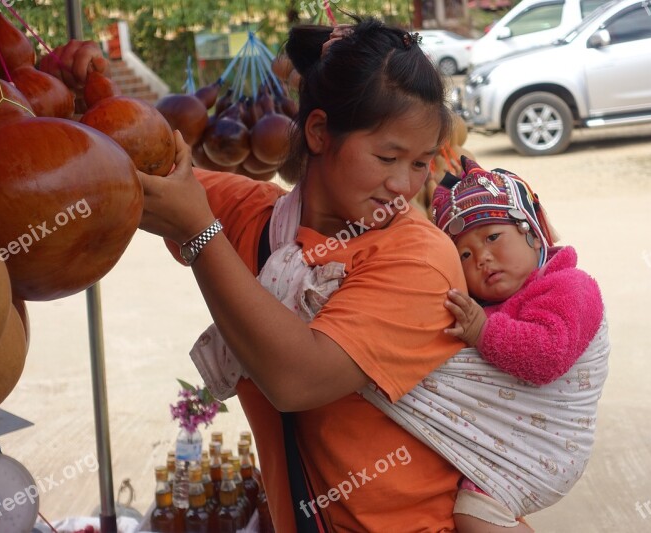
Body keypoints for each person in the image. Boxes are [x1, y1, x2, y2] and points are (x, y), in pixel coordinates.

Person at [138, 18, 471, 532]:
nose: (403, 184)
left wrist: (200, 234)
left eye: (421, 164)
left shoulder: (419, 258)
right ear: (318, 132)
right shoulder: (251, 214)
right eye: (388, 156)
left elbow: (295, 380)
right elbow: (124, 172)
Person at [359, 157, 609, 531]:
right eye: (464, 254)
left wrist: (483, 333)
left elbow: (548, 356)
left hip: (546, 451)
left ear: (531, 232)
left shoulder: (571, 286)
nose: (483, 258)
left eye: (493, 237)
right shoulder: (486, 308)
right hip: (502, 448)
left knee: (474, 516)